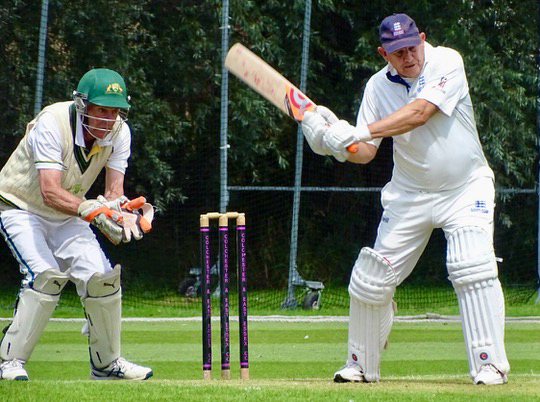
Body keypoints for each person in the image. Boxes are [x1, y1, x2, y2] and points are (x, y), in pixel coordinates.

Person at [301, 13, 509, 385]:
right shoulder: (377, 87)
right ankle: (361, 365)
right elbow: (365, 151)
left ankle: (488, 364)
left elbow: (419, 113)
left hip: (465, 187)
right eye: (398, 52)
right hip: (409, 193)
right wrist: (333, 142)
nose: (408, 56)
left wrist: (357, 130)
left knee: (470, 265)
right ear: (384, 53)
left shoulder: (447, 61)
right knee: (371, 278)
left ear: (423, 39)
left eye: (412, 47)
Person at [0, 68, 154, 381]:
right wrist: (92, 211)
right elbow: (49, 191)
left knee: (102, 280)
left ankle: (106, 364)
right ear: (82, 105)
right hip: (21, 207)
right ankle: (8, 360)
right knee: (44, 276)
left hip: (69, 215)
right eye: (100, 110)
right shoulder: (52, 123)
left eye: (113, 111)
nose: (107, 120)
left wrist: (120, 213)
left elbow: (113, 192)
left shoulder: (119, 133)